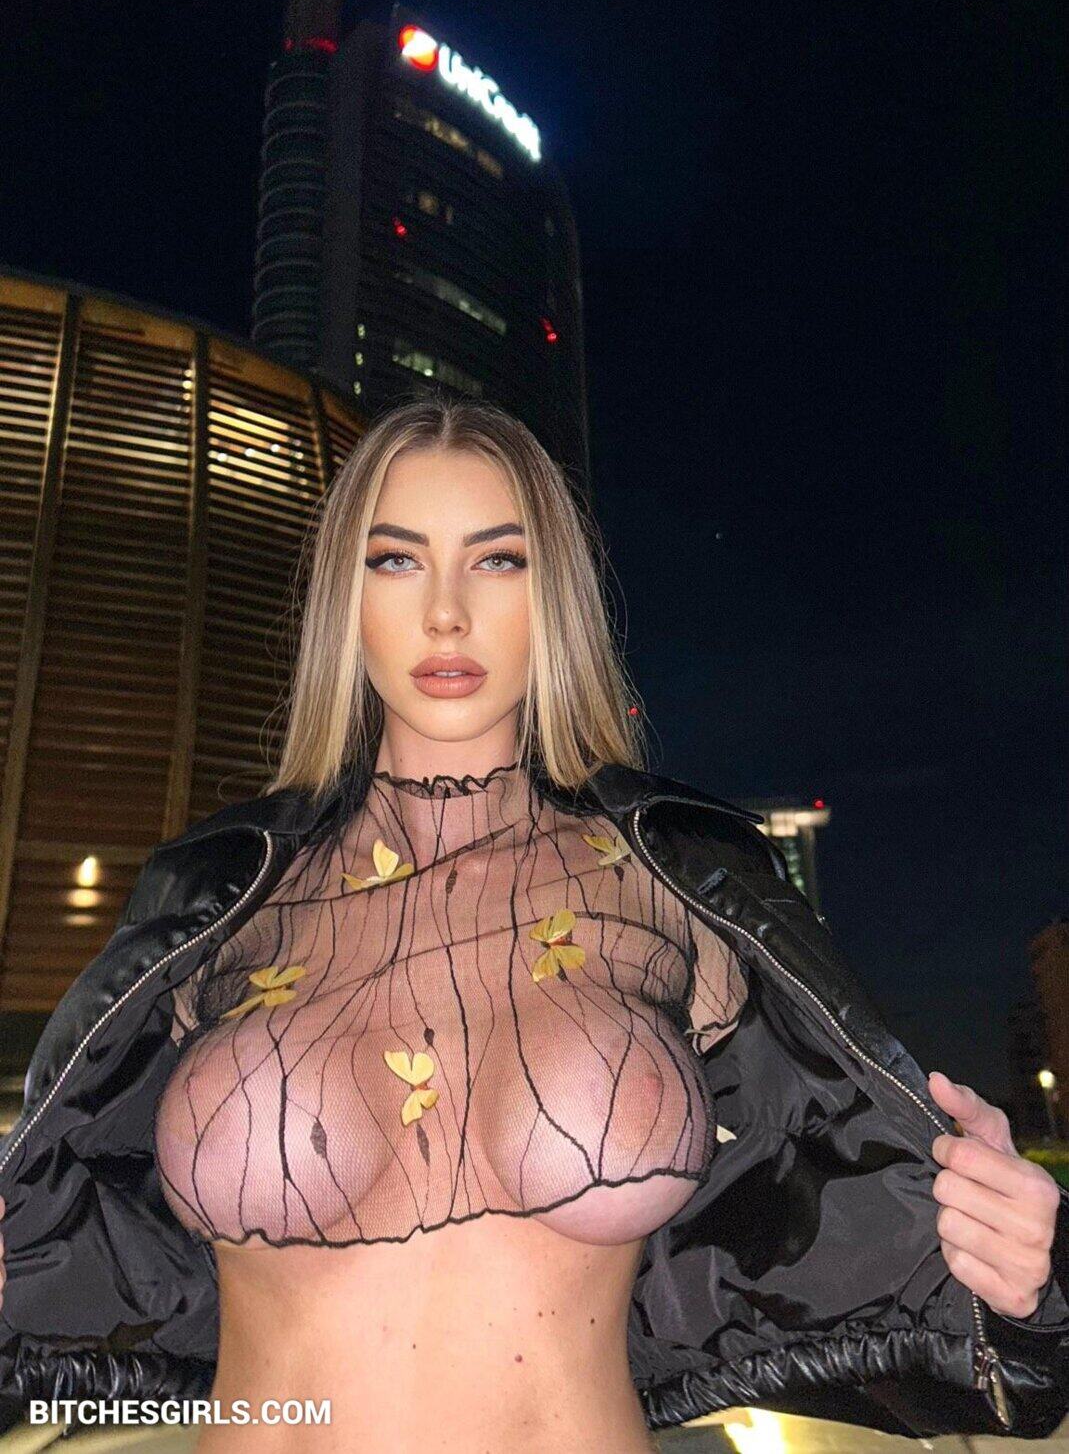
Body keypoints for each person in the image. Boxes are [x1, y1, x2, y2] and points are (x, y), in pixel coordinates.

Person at [0, 395, 1064, 1453]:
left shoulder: (677, 886)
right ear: (343, 598)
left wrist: (1004, 1267)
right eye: (396, 560)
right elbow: (87, 1262)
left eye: (498, 560)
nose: (446, 613)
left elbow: (832, 1225)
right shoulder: (218, 902)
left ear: (552, 596)